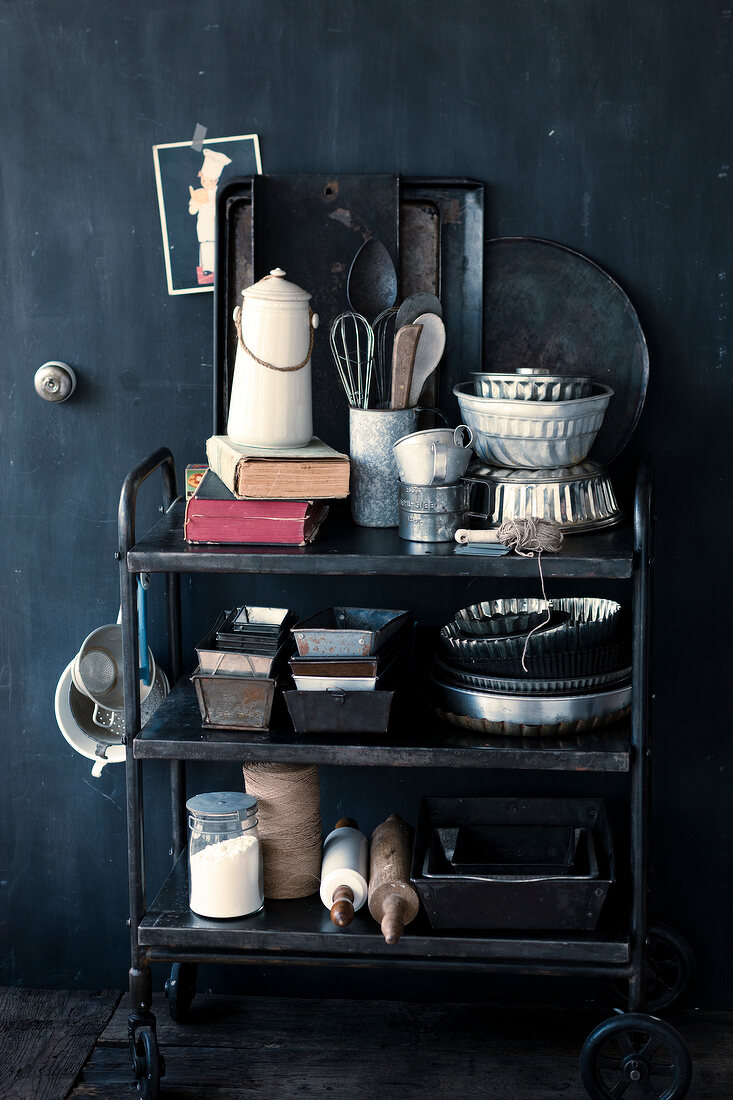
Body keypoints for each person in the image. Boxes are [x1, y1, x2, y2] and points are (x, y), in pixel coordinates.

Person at [188, 148, 232, 285]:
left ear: (216, 180)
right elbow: (192, 211)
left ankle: (221, 275)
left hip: (217, 228)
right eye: (205, 181)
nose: (208, 184)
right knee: (206, 254)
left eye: (211, 181)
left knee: (218, 252)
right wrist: (196, 202)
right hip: (204, 231)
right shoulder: (199, 192)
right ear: (201, 176)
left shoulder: (220, 192)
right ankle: (207, 277)